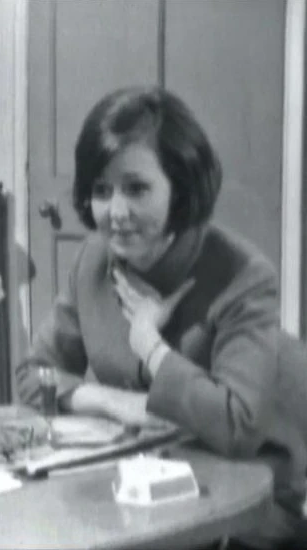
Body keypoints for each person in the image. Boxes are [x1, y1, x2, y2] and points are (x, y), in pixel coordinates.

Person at [16, 87, 306, 548]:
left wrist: (152, 348)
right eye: (101, 191)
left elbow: (238, 426)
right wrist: (114, 402)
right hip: (135, 495)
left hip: (248, 512)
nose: (116, 213)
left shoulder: (244, 276)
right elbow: (34, 376)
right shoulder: (92, 261)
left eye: (136, 188)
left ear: (181, 188)